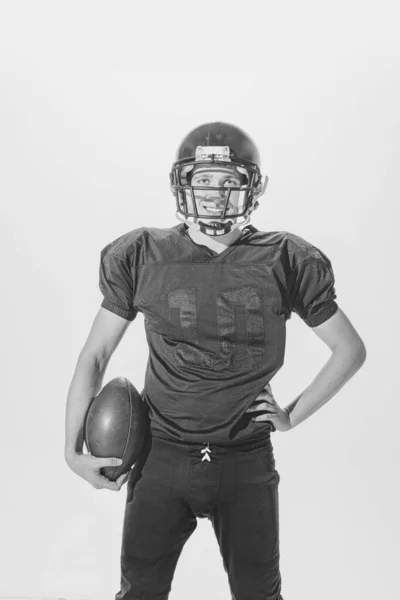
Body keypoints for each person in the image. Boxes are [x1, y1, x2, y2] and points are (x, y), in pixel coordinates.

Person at [64, 121, 367, 600]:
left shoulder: (285, 258)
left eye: (229, 181)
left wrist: (291, 416)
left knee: (258, 595)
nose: (214, 192)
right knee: (139, 592)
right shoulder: (144, 254)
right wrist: (71, 447)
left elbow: (349, 350)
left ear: (254, 187)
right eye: (203, 179)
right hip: (159, 455)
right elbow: (96, 354)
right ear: (181, 183)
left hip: (244, 457)